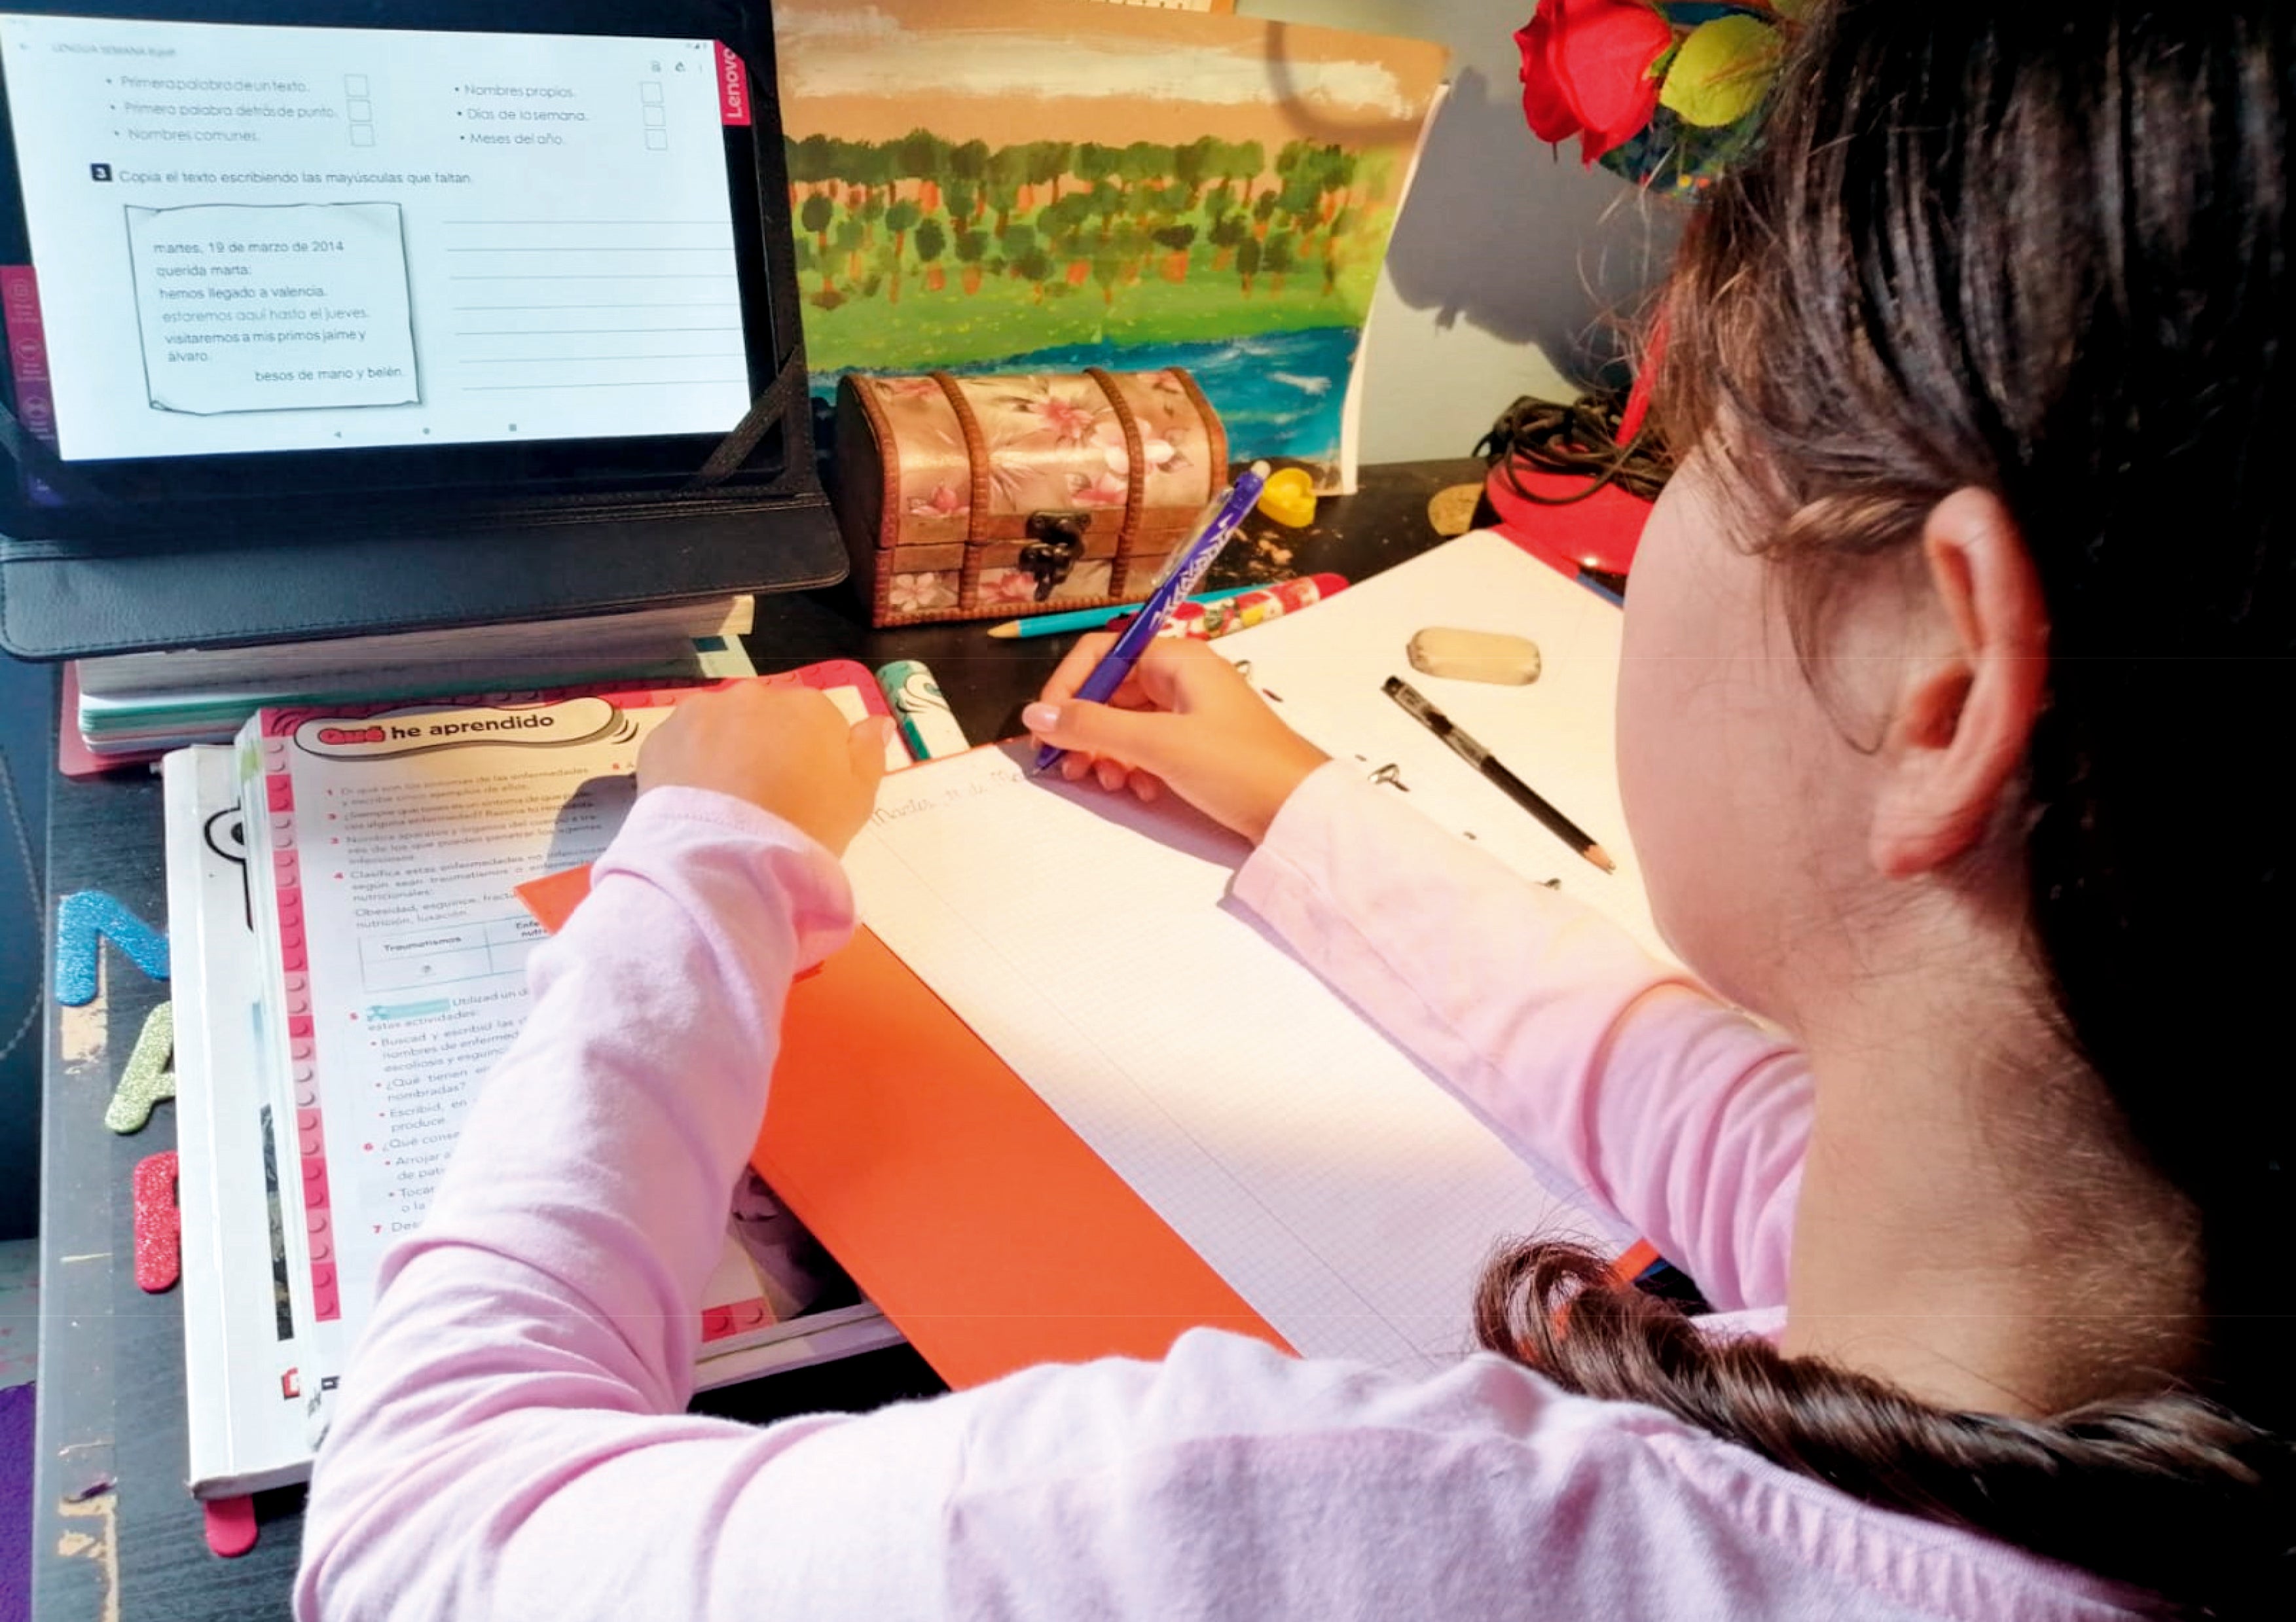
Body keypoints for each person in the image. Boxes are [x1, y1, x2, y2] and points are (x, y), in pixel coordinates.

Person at [295, 3, 2292, 1617]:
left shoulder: (1273, 1526)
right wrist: (1294, 808)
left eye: (1689, 450)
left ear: (1928, 681)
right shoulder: (2127, 1298)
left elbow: (422, 1539)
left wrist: (708, 861)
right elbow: (1736, 1127)